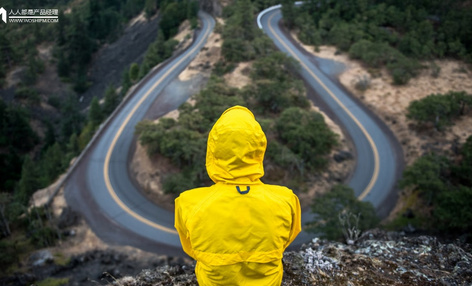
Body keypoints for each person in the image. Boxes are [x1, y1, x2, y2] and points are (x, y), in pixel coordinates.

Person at [175, 105, 301, 285]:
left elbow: (192, 249)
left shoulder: (188, 202)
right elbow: (286, 240)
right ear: (259, 149)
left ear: (213, 150)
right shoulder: (286, 199)